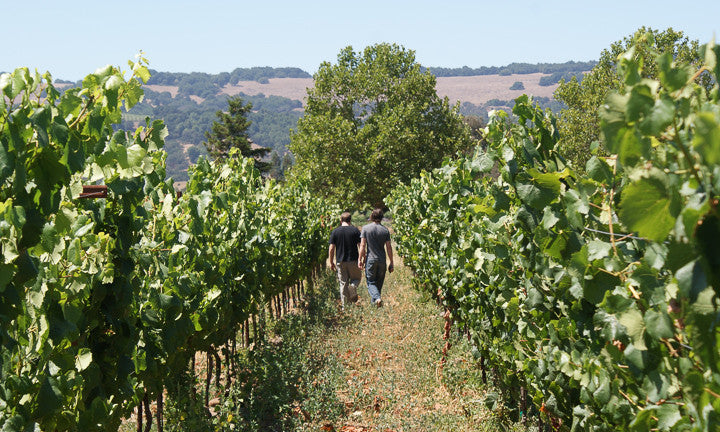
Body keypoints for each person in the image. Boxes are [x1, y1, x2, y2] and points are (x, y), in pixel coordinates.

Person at [359, 208, 394, 308]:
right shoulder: (385, 230)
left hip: (370, 259)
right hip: (382, 260)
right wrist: (391, 261)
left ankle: (377, 299)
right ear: (382, 217)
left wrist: (360, 259)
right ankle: (375, 304)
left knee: (370, 282)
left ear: (372, 216)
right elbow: (389, 247)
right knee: (378, 283)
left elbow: (362, 245)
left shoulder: (365, 228)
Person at [328, 211, 362, 309]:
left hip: (340, 261)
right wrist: (361, 259)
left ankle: (345, 307)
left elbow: (331, 248)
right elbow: (360, 246)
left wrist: (331, 262)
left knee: (343, 283)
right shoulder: (355, 231)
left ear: (340, 220)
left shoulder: (335, 231)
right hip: (353, 261)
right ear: (350, 220)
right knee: (357, 279)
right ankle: (353, 286)